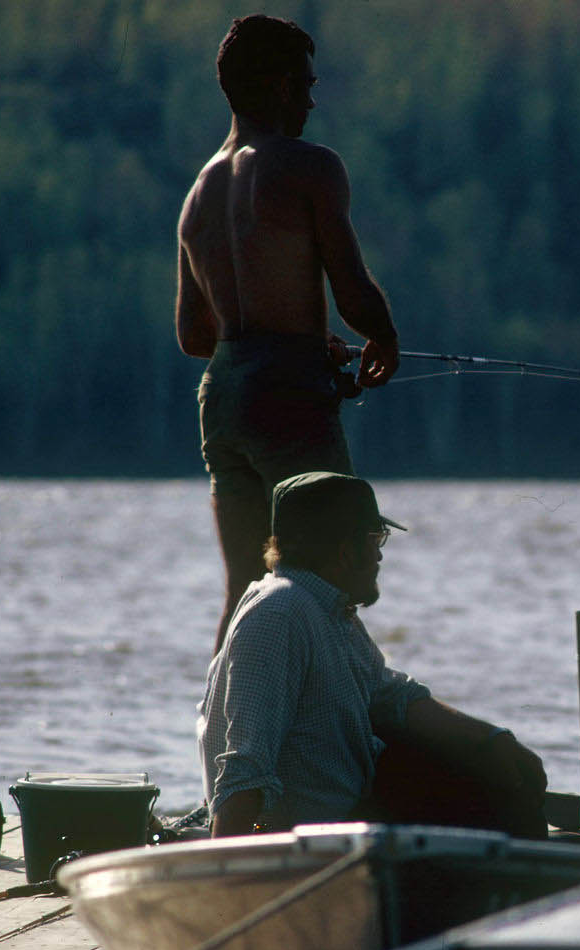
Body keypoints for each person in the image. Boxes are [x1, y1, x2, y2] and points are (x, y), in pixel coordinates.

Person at [176, 14, 401, 652]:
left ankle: (224, 739)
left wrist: (289, 333)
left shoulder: (199, 192)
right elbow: (352, 289)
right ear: (277, 86)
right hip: (288, 400)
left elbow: (196, 335)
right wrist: (382, 338)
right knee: (336, 574)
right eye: (305, 83)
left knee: (244, 588)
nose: (311, 97)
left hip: (222, 397)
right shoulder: (310, 167)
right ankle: (346, 734)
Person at [197, 471, 549, 839]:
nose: (380, 553)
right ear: (348, 549)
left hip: (351, 817)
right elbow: (244, 767)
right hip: (308, 841)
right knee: (490, 798)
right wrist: (224, 877)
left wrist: (494, 741)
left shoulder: (329, 611)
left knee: (480, 768)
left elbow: (394, 698)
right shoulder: (279, 614)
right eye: (376, 538)